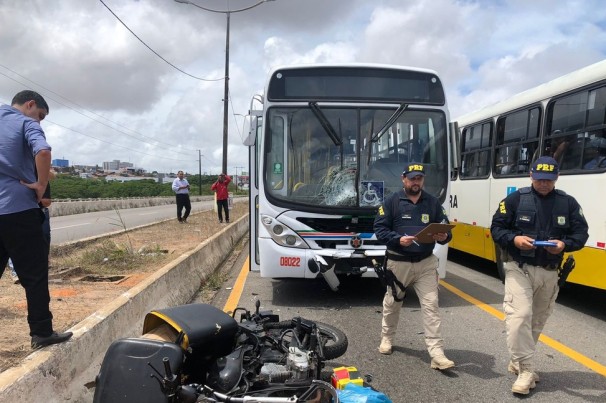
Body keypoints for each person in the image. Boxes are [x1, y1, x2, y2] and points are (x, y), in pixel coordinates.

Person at [490, 156, 588, 395]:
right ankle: (526, 370)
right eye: (540, 179)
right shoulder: (515, 199)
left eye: (549, 180)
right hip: (518, 267)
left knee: (536, 321)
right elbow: (496, 228)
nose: (544, 184)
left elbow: (581, 234)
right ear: (531, 175)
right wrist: (514, 239)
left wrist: (563, 245)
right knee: (520, 316)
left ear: (556, 178)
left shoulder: (569, 203)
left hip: (550, 272)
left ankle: (518, 361)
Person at [0, 90, 73, 349]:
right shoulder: (25, 123)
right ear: (30, 104)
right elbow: (42, 151)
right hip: (18, 210)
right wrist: (41, 184)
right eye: (40, 116)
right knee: (34, 275)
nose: (39, 121)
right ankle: (41, 332)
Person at [373, 162, 454, 370]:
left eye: (419, 178)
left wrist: (444, 235)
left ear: (422, 180)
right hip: (398, 263)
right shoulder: (391, 202)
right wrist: (397, 239)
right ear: (404, 179)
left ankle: (436, 353)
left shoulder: (433, 203)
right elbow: (379, 230)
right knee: (393, 303)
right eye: (412, 178)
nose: (415, 182)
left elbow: (446, 231)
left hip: (426, 263)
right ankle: (387, 338)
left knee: (431, 306)